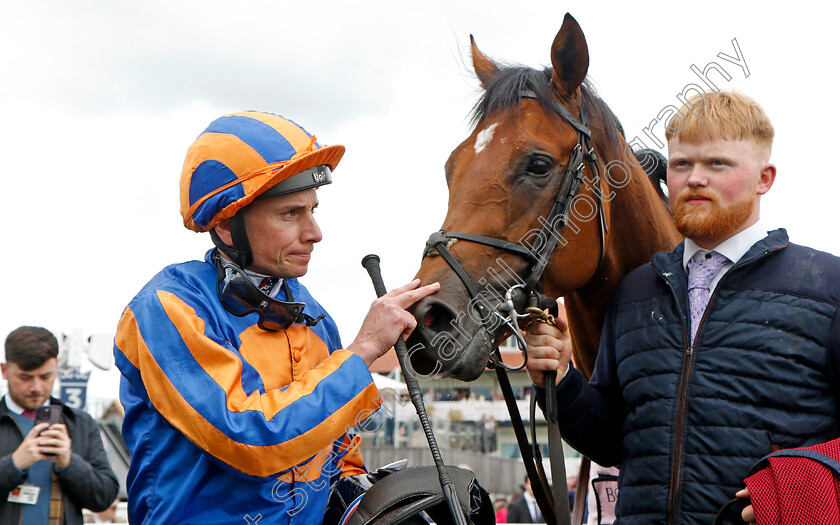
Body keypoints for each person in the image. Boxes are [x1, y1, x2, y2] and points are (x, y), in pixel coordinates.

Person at [523, 90, 840, 524]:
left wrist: (802, 486)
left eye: (717, 163)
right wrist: (562, 380)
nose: (694, 178)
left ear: (765, 178)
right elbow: (612, 442)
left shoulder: (828, 286)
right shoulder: (635, 291)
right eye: (681, 164)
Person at [114, 111, 439, 524]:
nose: (314, 232)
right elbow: (250, 440)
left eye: (313, 210)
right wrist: (362, 352)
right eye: (291, 213)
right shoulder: (168, 309)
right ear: (229, 226)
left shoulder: (316, 317)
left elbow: (339, 455)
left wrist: (370, 501)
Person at [0, 326, 119, 525]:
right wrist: (14, 464)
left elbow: (104, 497)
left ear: (57, 367)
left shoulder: (81, 423)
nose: (36, 387)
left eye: (46, 377)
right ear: (4, 370)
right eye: (25, 377)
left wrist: (69, 463)